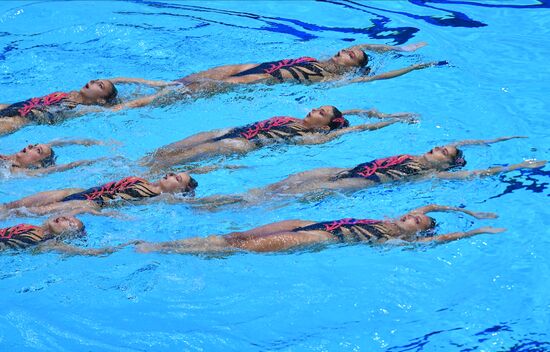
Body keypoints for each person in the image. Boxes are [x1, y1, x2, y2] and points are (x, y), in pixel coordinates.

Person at [190, 136, 546, 209]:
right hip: (341, 170)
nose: (437, 148)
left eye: (444, 152)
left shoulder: (429, 174)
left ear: (449, 163)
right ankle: (222, 201)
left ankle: (220, 206)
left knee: (268, 200)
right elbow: (464, 143)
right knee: (275, 186)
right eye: (439, 145)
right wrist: (496, 140)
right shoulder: (417, 155)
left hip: (353, 183)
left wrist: (519, 166)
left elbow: (472, 175)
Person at [108, 42, 444, 110]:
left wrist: (414, 67)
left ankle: (129, 105)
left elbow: (376, 79)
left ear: (353, 67)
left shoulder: (330, 78)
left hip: (249, 81)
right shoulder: (318, 57)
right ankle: (131, 96)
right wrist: (399, 50)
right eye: (348, 48)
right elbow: (366, 46)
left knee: (183, 93)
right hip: (242, 67)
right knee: (179, 82)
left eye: (352, 55)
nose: (347, 50)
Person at [133, 204, 505, 254]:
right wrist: (468, 212)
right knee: (235, 237)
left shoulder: (393, 237)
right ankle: (165, 242)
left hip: (319, 235)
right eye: (412, 215)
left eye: (415, 223)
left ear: (414, 234)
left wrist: (476, 233)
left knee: (240, 248)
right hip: (306, 223)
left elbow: (442, 235)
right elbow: (429, 208)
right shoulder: (391, 220)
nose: (410, 217)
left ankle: (162, 250)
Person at [142, 105, 417, 169]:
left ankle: (154, 172)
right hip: (228, 131)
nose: (313, 110)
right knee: (162, 150)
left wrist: (389, 121)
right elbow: (351, 114)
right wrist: (369, 111)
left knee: (177, 160)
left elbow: (352, 128)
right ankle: (145, 163)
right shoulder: (294, 118)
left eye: (320, 113)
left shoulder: (313, 135)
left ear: (324, 126)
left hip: (239, 143)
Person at [0, 172, 198, 217]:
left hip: (90, 204)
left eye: (177, 179)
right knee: (10, 205)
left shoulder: (160, 197)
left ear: (180, 191)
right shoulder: (143, 180)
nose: (171, 174)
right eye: (174, 172)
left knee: (26, 212)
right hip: (81, 192)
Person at [0, 79, 118, 136]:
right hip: (17, 106)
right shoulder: (71, 93)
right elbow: (116, 79)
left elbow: (117, 108)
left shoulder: (84, 109)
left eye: (99, 85)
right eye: (96, 80)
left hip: (24, 118)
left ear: (101, 100)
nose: (93, 81)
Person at [0, 215, 125, 255]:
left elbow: (88, 252)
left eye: (70, 223)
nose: (64, 217)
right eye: (69, 217)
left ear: (69, 235)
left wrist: (131, 243)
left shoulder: (48, 243)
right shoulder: (35, 226)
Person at [0, 139, 111, 176]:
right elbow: (54, 142)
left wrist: (98, 160)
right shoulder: (9, 158)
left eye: (37, 150)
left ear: (38, 164)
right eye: (34, 145)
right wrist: (79, 141)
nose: (29, 146)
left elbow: (68, 166)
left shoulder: (22, 172)